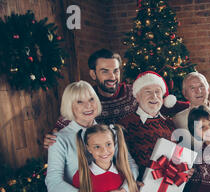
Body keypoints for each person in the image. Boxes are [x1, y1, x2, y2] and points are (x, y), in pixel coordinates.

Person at [43, 48, 189, 147]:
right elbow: (65, 120)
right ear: (93, 74)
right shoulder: (88, 99)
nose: (112, 77)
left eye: (116, 71)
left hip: (130, 153)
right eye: (105, 71)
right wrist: (53, 134)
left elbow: (162, 103)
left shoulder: (133, 93)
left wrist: (195, 104)